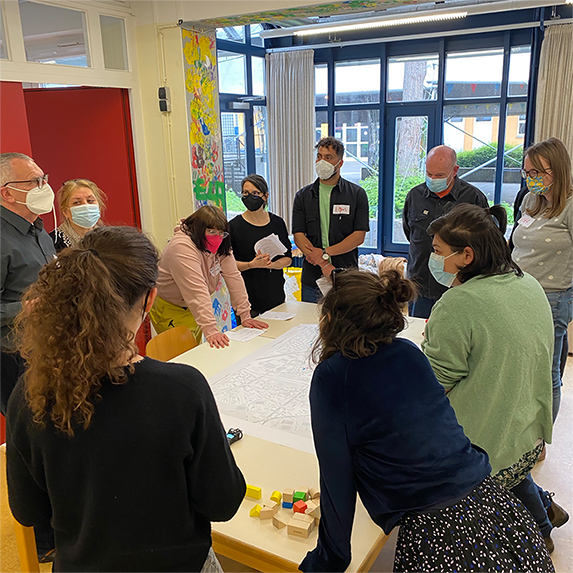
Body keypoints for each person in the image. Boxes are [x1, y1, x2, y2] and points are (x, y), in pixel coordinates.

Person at [6, 226, 246, 572]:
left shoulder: (29, 393)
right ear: (150, 299)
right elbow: (222, 504)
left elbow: (28, 511)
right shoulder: (182, 390)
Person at [299, 268, 553, 573]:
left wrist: (330, 559)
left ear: (331, 321)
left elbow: (336, 477)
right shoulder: (408, 351)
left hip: (437, 532)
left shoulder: (332, 376)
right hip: (495, 505)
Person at [422, 203, 568, 553]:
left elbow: (436, 385)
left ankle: (539, 530)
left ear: (466, 255)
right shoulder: (526, 282)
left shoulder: (459, 302)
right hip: (525, 420)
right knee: (515, 473)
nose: (433, 259)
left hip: (486, 435)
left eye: (439, 252)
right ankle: (545, 508)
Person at [0, 152, 57, 562]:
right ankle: (42, 540)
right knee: (32, 445)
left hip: (45, 349)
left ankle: (59, 522)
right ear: (7, 191)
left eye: (43, 178)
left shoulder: (37, 229)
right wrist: (25, 309)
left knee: (56, 439)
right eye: (34, 181)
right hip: (12, 356)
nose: (44, 187)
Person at [512, 137, 573, 422]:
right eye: (527, 173)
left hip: (552, 296)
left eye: (537, 173)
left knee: (546, 372)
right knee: (520, 365)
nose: (531, 179)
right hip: (519, 290)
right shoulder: (530, 201)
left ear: (557, 171)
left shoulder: (570, 207)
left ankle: (541, 436)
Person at [150, 205, 268, 348]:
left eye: (221, 233)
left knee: (196, 349)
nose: (217, 238)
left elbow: (233, 276)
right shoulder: (181, 247)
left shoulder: (220, 243)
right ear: (198, 230)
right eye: (211, 232)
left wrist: (245, 315)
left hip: (191, 306)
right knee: (182, 355)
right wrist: (211, 329)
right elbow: (196, 289)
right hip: (171, 306)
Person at [402, 144, 488, 318]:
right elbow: (410, 233)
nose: (433, 179)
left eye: (440, 175)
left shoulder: (473, 198)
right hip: (421, 286)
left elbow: (484, 244)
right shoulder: (414, 196)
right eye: (429, 174)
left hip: (460, 289)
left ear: (454, 170)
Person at [292, 137, 369, 303]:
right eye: (319, 156)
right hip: (312, 278)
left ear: (340, 163)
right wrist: (323, 263)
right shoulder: (303, 196)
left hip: (345, 276)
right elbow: (298, 235)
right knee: (309, 325)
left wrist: (326, 253)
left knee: (346, 325)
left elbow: (358, 237)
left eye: (328, 157)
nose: (322, 161)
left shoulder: (356, 194)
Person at [229, 174, 292, 316]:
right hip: (247, 300)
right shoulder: (234, 226)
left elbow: (288, 258)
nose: (249, 197)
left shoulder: (277, 222)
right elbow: (228, 264)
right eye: (246, 193)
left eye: (255, 193)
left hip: (275, 296)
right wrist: (251, 265)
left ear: (265, 196)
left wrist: (273, 265)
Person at [50, 178, 106, 251]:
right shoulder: (52, 241)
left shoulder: (109, 237)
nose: (85, 205)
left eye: (90, 201)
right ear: (65, 212)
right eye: (77, 202)